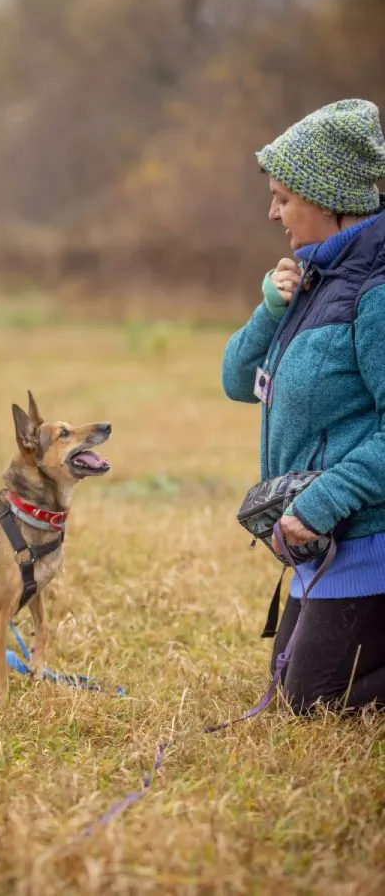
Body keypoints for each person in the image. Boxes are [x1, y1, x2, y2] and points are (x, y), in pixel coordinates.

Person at [222, 99, 385, 716]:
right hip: (327, 543)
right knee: (291, 682)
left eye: (283, 197)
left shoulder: (375, 291)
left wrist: (316, 506)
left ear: (327, 199)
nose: (274, 212)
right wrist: (269, 307)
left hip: (368, 535)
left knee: (312, 698)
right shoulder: (314, 282)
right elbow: (238, 380)